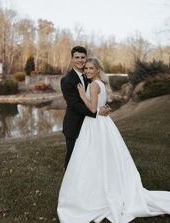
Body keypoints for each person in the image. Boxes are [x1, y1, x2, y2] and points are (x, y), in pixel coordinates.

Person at [57, 56, 170, 223]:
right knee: (100, 157)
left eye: (91, 68)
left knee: (92, 156)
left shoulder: (94, 85)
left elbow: (93, 108)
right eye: (86, 68)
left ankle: (95, 194)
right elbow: (100, 106)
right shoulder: (100, 84)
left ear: (98, 70)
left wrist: (82, 94)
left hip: (95, 124)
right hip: (102, 124)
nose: (87, 70)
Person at [61, 46, 111, 169]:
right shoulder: (67, 80)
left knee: (87, 156)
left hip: (90, 125)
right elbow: (74, 105)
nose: (80, 60)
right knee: (72, 156)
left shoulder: (88, 75)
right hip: (74, 124)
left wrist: (103, 106)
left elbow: (95, 96)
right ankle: (69, 183)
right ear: (72, 59)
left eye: (83, 57)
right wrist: (97, 112)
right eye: (76, 57)